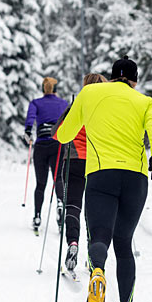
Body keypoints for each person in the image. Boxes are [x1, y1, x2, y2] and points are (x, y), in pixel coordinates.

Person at [55, 56, 152, 302]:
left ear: (111, 76)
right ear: (135, 80)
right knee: (124, 244)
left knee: (100, 237)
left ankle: (97, 272)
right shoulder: (146, 102)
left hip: (100, 175)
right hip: (135, 178)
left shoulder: (90, 92)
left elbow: (64, 134)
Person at [60, 73, 108, 274]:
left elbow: (60, 134)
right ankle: (92, 252)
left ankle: (73, 242)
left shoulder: (76, 105)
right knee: (93, 210)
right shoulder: (108, 108)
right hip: (98, 163)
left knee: (72, 205)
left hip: (73, 160)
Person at [25, 77, 68, 234]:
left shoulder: (35, 103)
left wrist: (28, 134)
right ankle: (60, 203)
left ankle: (37, 216)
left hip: (41, 145)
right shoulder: (64, 104)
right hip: (58, 145)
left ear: (43, 89)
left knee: (41, 183)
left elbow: (30, 121)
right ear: (56, 89)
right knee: (59, 179)